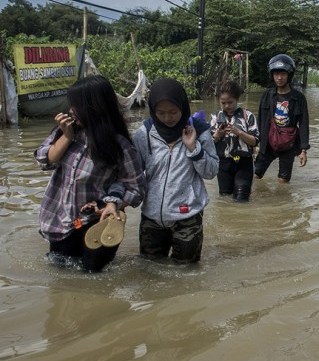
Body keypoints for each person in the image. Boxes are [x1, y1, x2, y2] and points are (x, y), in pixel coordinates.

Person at [34, 75, 146, 272]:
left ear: (94, 107)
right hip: (60, 223)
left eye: (76, 106)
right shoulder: (67, 132)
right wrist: (66, 136)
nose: (71, 111)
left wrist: (113, 204)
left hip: (93, 223)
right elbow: (45, 160)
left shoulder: (119, 145)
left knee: (93, 278)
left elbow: (136, 188)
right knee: (61, 280)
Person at [133, 78, 218, 263]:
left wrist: (194, 149)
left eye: (173, 112)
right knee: (149, 269)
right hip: (152, 217)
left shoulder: (200, 131)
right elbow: (133, 175)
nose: (167, 117)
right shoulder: (143, 134)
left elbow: (211, 171)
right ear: (153, 110)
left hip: (187, 217)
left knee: (187, 273)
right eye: (161, 112)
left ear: (183, 106)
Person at [254, 54, 310, 183]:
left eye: (283, 74)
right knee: (255, 176)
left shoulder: (299, 98)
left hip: (288, 145)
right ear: (272, 75)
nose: (279, 78)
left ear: (289, 75)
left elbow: (303, 124)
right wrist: (255, 143)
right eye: (276, 74)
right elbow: (260, 120)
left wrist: (303, 150)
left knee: (283, 182)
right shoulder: (267, 95)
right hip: (267, 144)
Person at [211, 80, 260, 201]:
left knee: (242, 199)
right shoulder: (215, 116)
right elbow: (209, 143)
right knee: (224, 199)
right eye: (223, 103)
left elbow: (255, 141)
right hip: (223, 163)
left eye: (230, 102)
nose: (227, 106)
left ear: (237, 99)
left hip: (244, 163)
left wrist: (238, 132)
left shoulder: (247, 115)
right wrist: (218, 135)